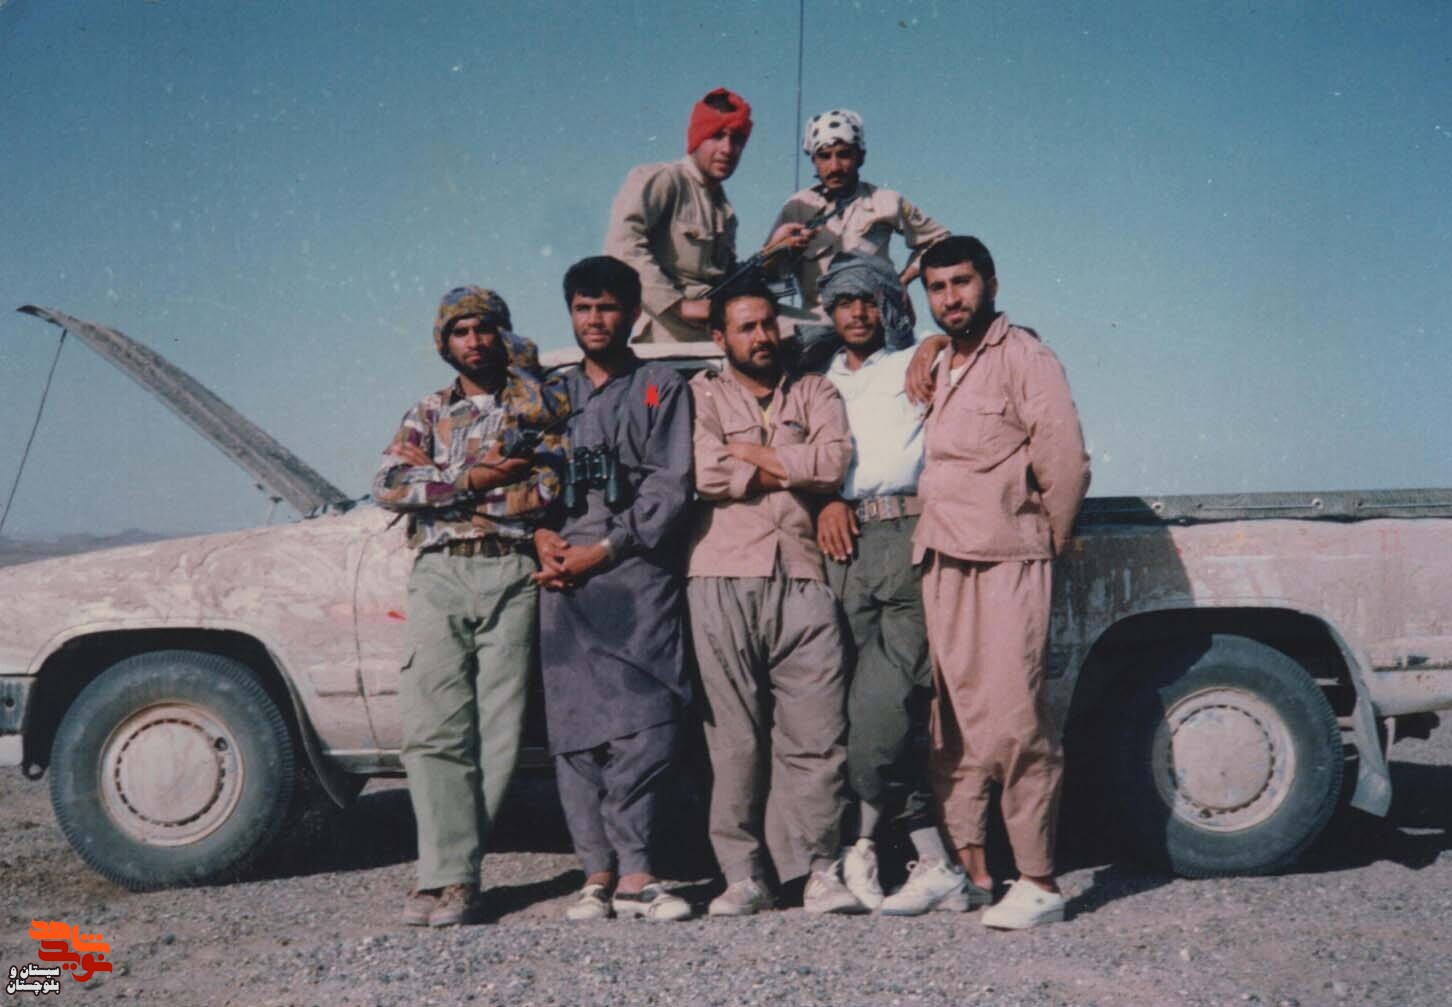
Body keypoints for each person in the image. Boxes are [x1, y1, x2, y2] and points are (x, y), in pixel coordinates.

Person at [373, 286, 569, 927]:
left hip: (511, 569)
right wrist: (475, 478)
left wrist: (441, 483)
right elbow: (388, 484)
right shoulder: (428, 411)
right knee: (432, 728)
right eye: (461, 331)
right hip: (439, 573)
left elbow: (542, 491)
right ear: (444, 342)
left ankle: (453, 876)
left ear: (503, 334)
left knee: (498, 734)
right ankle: (448, 873)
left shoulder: (537, 404)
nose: (475, 341)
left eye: (485, 328)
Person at [911, 236, 1091, 929]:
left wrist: (1044, 538)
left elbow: (1064, 459)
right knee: (953, 722)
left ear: (990, 282)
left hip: (1008, 557)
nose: (950, 297)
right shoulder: (941, 363)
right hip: (943, 554)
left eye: (962, 282)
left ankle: (1039, 879)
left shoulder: (1025, 357)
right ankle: (975, 873)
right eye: (937, 287)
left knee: (1016, 719)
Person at [686, 279, 862, 916]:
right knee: (734, 739)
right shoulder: (699, 395)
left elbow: (834, 461)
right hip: (720, 574)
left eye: (768, 324)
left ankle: (818, 869)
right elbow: (702, 470)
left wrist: (750, 454)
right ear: (720, 337)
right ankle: (744, 875)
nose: (762, 337)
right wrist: (791, 463)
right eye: (746, 327)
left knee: (816, 732)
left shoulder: (815, 391)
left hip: (804, 575)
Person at [534, 256, 696, 922]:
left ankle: (637, 870)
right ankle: (594, 873)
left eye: (607, 307)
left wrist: (603, 550)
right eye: (583, 307)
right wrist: (541, 536)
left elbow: (669, 485)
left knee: (649, 721)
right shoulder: (551, 396)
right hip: (559, 578)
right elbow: (527, 479)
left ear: (632, 313)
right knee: (575, 731)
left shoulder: (659, 388)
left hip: (634, 572)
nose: (594, 320)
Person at [805, 253, 965, 916]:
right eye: (844, 302)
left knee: (886, 705)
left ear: (887, 305)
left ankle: (866, 844)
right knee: (856, 707)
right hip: (843, 540)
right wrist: (825, 501)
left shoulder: (915, 360)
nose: (857, 313)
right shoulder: (817, 377)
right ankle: (930, 858)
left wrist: (933, 343)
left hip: (905, 533)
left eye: (868, 300)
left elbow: (968, 348)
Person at [767, 108, 948, 334]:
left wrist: (901, 281)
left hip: (874, 321)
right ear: (813, 160)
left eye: (844, 154)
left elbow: (939, 239)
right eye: (824, 156)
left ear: (860, 156)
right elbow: (768, 273)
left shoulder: (886, 201)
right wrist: (780, 251)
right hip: (818, 326)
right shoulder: (797, 207)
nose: (835, 167)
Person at [604, 88, 753, 343]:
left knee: (803, 329)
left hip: (712, 326)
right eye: (717, 136)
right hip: (666, 331)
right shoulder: (664, 179)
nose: (727, 149)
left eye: (737, 139)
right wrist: (677, 305)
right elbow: (621, 247)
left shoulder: (724, 209)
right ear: (697, 138)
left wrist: (776, 248)